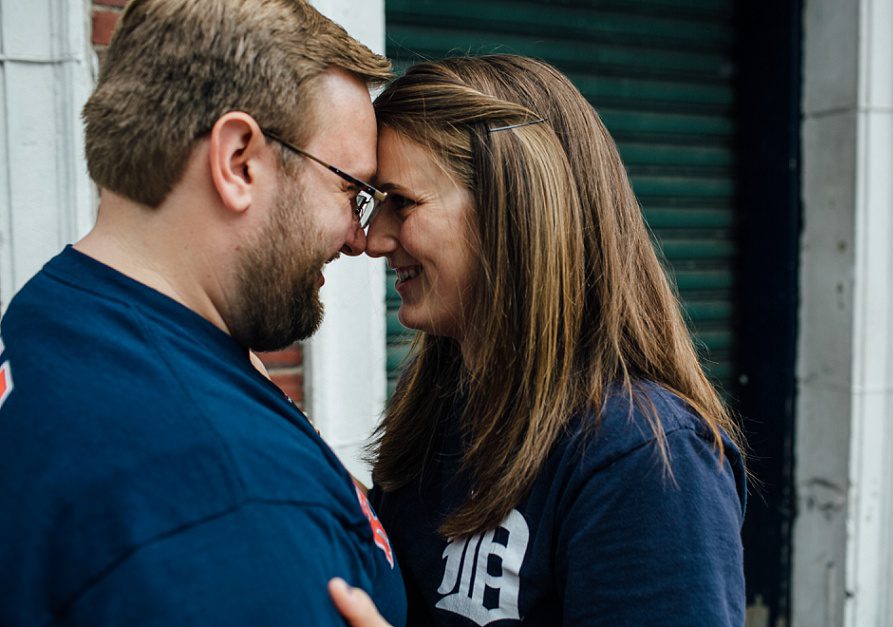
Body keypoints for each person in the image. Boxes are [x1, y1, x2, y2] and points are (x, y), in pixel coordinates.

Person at [0, 1, 405, 625]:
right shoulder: (229, 509)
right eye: (351, 189)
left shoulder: (59, 312)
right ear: (239, 160)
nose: (360, 238)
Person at [352, 54, 748, 625]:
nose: (373, 240)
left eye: (403, 202)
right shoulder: (438, 402)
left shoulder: (645, 458)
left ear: (513, 210)